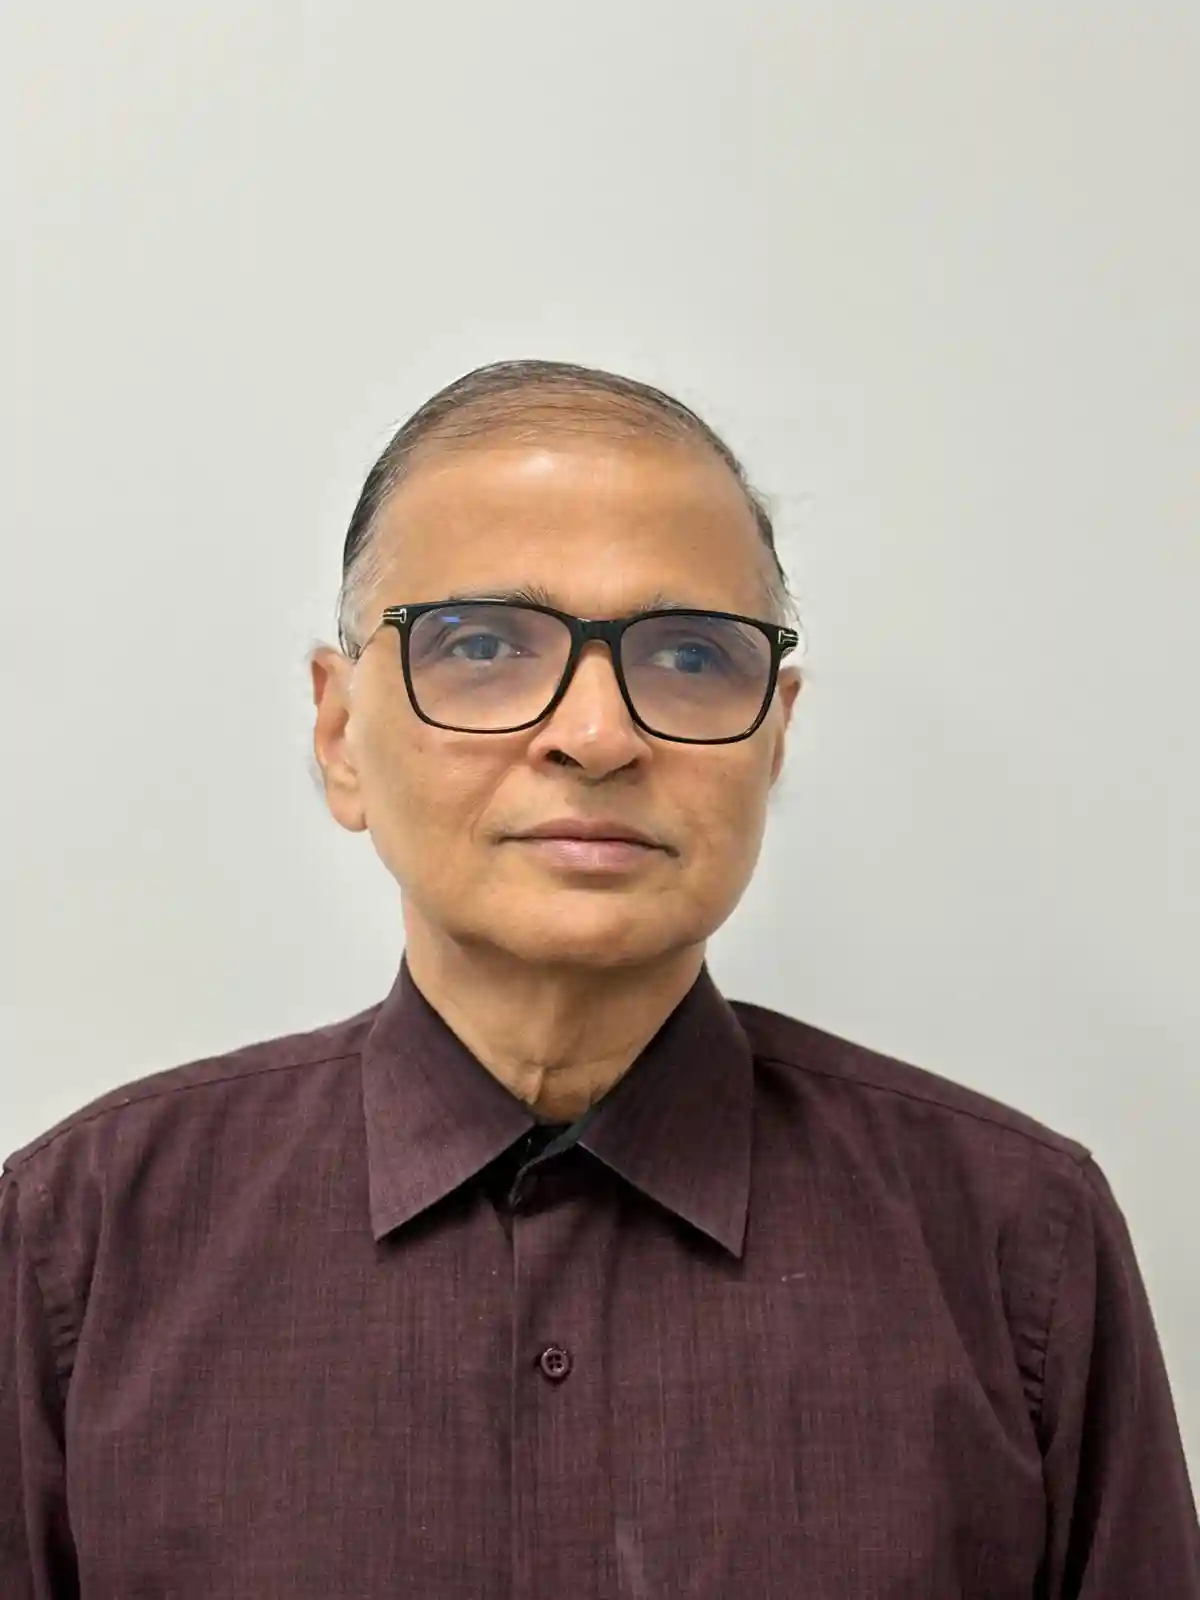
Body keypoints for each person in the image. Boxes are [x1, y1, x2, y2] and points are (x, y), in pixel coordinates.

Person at [2, 360, 1196, 1599]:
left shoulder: (1017, 1246)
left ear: (774, 737)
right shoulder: (82, 1241)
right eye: (481, 644)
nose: (596, 734)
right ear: (341, 733)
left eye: (689, 656)